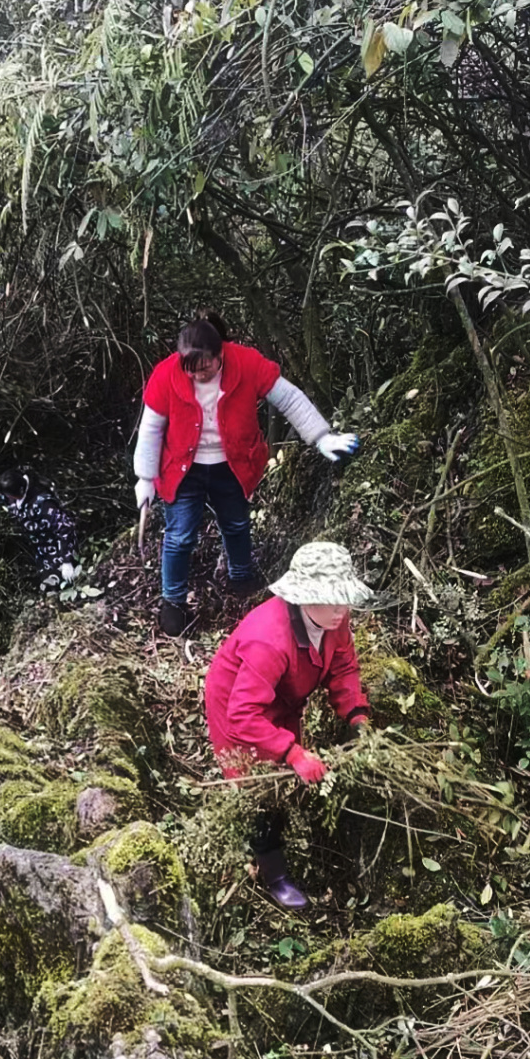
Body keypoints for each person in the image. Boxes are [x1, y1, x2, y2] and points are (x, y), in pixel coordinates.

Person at [132, 311, 359, 636]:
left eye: (205, 367)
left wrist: (321, 437)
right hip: (182, 470)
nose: (198, 375)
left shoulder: (246, 363)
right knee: (179, 536)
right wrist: (144, 477)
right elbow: (151, 429)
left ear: (220, 353)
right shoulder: (166, 374)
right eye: (190, 369)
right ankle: (173, 603)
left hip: (233, 465)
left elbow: (290, 399)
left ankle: (241, 579)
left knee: (236, 524)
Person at [204, 541, 374, 908]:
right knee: (259, 790)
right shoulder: (268, 638)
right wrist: (292, 753)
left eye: (344, 599)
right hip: (237, 701)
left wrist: (356, 715)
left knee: (284, 767)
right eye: (332, 600)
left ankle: (277, 844)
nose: (341, 610)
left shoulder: (333, 621)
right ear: (304, 596)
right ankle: (274, 874)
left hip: (283, 696)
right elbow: (244, 715)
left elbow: (343, 669)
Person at [0, 469, 78, 586]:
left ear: (20, 491)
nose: (8, 499)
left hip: (54, 546)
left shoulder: (43, 504)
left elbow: (65, 528)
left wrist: (67, 561)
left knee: (55, 583)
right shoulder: (13, 492)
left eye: (10, 496)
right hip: (36, 544)